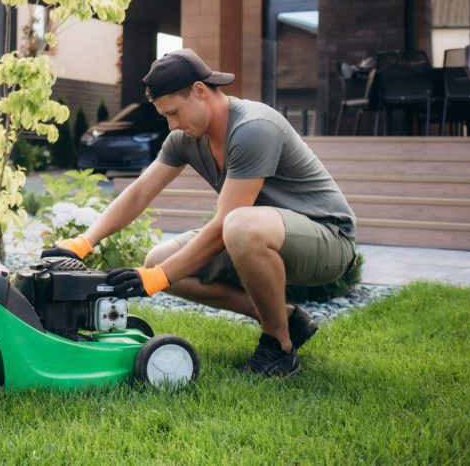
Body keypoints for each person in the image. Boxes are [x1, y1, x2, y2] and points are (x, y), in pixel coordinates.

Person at [42, 49, 356, 377]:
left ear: (200, 91)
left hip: (328, 239)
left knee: (234, 227)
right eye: (166, 116)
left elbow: (226, 224)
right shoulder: (185, 139)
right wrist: (82, 242)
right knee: (158, 258)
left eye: (175, 112)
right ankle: (288, 320)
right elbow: (138, 194)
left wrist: (156, 280)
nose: (172, 124)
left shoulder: (253, 127)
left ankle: (279, 346)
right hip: (259, 232)